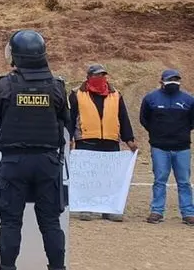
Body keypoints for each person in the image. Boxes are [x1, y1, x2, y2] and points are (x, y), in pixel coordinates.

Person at [0, 30, 69, 270]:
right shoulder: (57, 86)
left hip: (15, 162)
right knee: (51, 224)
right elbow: (64, 118)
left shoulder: (4, 86)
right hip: (47, 162)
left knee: (10, 223)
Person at [68, 64, 137, 221]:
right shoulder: (76, 95)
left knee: (110, 179)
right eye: (97, 75)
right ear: (88, 77)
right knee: (88, 178)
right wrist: (69, 138)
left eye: (103, 75)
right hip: (86, 141)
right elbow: (71, 118)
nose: (101, 78)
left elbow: (123, 118)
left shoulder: (116, 95)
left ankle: (109, 209)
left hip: (110, 140)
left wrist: (129, 139)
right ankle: (87, 207)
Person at [139, 69, 194, 225]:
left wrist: (180, 133)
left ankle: (188, 213)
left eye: (176, 79)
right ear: (161, 81)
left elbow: (192, 122)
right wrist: (157, 133)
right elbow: (144, 119)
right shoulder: (150, 99)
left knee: (184, 182)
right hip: (159, 147)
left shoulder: (189, 100)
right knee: (159, 180)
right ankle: (157, 211)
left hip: (182, 147)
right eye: (170, 79)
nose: (173, 82)